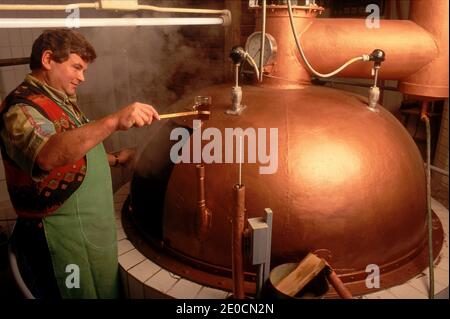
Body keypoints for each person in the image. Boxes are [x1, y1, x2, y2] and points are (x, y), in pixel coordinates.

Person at [0, 29, 160, 299]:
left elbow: (74, 149)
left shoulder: (59, 101)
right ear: (48, 59)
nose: (82, 77)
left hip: (90, 234)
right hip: (61, 240)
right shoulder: (20, 109)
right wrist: (113, 121)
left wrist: (116, 158)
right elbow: (48, 155)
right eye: (76, 67)